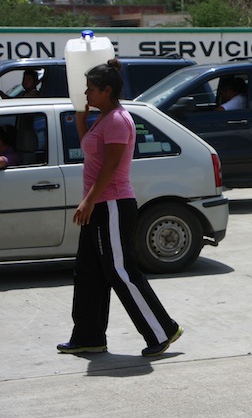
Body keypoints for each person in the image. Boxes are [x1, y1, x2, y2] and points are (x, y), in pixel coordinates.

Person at [57, 59, 183, 357]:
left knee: (121, 271)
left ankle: (162, 330)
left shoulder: (117, 119)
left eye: (90, 89)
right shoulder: (104, 117)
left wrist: (88, 200)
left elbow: (112, 165)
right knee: (87, 273)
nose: (86, 94)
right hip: (99, 204)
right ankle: (88, 337)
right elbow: (94, 154)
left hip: (111, 204)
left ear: (107, 90)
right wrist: (80, 121)